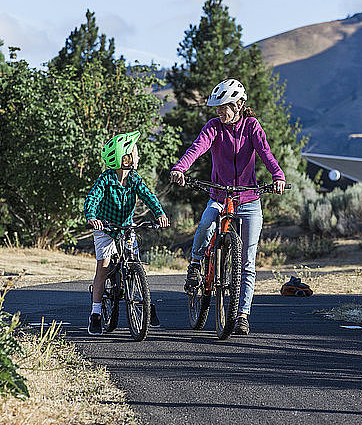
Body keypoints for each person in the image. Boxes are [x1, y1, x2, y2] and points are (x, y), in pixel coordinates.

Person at [170, 79, 285, 335]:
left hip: (249, 200)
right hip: (220, 196)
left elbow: (265, 153)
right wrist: (180, 168)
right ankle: (196, 263)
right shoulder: (214, 128)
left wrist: (278, 176)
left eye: (224, 107)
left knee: (247, 262)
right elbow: (197, 148)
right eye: (218, 108)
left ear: (239, 105)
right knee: (205, 224)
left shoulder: (252, 126)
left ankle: (242, 314)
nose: (220, 112)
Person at [85, 130, 169, 335]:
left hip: (126, 226)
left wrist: (159, 213)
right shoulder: (106, 179)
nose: (137, 157)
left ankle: (145, 300)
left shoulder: (134, 179)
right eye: (134, 153)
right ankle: (96, 313)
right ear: (124, 158)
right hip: (105, 228)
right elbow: (92, 198)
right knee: (103, 269)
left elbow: (148, 196)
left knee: (134, 261)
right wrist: (92, 217)